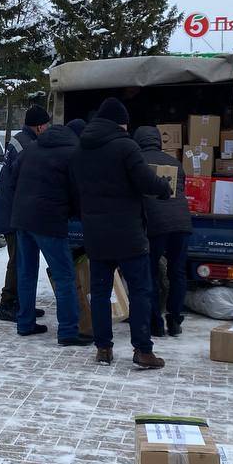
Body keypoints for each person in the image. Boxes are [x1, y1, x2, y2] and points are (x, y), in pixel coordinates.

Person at [69, 98, 170, 369]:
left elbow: (75, 190)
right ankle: (142, 349)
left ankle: (103, 348)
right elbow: (145, 181)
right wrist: (164, 188)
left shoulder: (80, 149)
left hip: (96, 234)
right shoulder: (126, 146)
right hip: (128, 234)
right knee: (140, 290)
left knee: (100, 293)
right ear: (120, 122)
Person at [9, 122, 85, 345]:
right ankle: (69, 331)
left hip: (23, 218)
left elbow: (13, 175)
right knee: (64, 276)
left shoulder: (32, 147)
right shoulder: (73, 153)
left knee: (26, 272)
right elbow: (77, 190)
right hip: (49, 221)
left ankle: (25, 323)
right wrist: (77, 214)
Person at [0, 105, 51, 322]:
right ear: (39, 126)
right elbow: (23, 183)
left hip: (10, 210)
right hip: (12, 214)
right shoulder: (27, 146)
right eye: (47, 124)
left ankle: (23, 304)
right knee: (18, 260)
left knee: (22, 259)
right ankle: (8, 304)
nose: (48, 128)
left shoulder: (22, 140)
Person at [133, 126, 191, 338]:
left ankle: (155, 322)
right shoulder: (175, 162)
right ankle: (174, 320)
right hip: (181, 223)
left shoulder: (137, 162)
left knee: (150, 272)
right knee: (177, 272)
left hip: (154, 225)